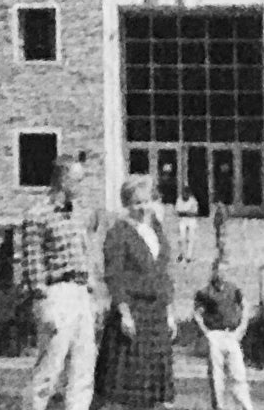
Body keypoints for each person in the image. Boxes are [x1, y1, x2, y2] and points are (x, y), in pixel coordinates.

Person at [17, 160, 98, 410]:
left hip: (79, 291)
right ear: (63, 180)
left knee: (83, 366)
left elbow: (85, 252)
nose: (81, 186)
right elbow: (33, 261)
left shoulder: (78, 213)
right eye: (78, 180)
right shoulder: (38, 214)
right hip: (56, 292)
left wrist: (91, 289)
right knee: (50, 366)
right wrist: (43, 302)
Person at [96, 175, 177, 410]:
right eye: (137, 203)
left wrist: (170, 312)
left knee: (155, 393)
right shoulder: (118, 233)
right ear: (127, 204)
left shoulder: (156, 231)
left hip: (157, 314)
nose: (142, 208)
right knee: (129, 390)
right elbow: (114, 276)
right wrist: (124, 313)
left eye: (146, 201)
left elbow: (164, 275)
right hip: (134, 312)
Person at [193, 260, 254, 410]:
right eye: (219, 271)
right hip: (215, 335)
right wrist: (206, 333)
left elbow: (246, 306)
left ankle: (246, 405)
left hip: (232, 334)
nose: (222, 274)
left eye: (225, 271)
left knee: (238, 372)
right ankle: (219, 407)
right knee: (216, 375)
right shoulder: (205, 292)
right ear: (213, 272)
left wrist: (242, 327)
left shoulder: (233, 289)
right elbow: (197, 314)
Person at [173, 191, 200, 263]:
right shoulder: (179, 200)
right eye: (184, 194)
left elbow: (195, 213)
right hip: (183, 220)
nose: (185, 196)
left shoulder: (192, 200)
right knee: (182, 238)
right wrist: (187, 213)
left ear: (189, 194)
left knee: (191, 238)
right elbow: (178, 212)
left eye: (187, 194)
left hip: (191, 220)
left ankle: (189, 256)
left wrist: (185, 213)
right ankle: (182, 254)